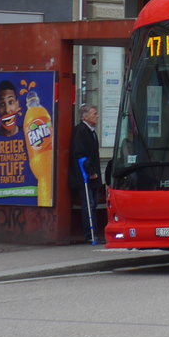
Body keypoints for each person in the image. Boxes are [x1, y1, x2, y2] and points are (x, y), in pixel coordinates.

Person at [69, 104, 101, 243]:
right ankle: (89, 234)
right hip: (85, 176)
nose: (97, 116)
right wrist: (91, 172)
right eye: (94, 114)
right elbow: (81, 155)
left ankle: (93, 233)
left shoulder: (91, 131)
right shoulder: (81, 131)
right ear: (85, 116)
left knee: (93, 205)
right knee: (88, 204)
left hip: (91, 175)